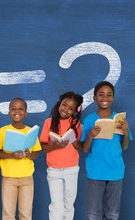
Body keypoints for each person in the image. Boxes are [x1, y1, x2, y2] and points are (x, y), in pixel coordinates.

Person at [82, 81, 132, 220]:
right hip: (95, 171)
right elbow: (85, 149)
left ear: (113, 97)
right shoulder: (89, 120)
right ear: (94, 98)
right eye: (101, 95)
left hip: (115, 171)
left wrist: (126, 131)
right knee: (92, 214)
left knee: (112, 214)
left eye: (109, 95)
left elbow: (124, 147)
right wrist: (91, 135)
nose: (105, 98)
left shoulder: (120, 119)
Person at [0, 98, 42, 220]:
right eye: (13, 109)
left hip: (27, 178)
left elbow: (36, 153)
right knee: (8, 214)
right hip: (9, 178)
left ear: (26, 113)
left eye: (21, 109)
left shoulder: (30, 131)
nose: (17, 111)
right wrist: (11, 155)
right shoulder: (3, 131)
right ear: (9, 113)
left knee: (25, 213)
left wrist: (29, 154)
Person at [40, 92, 83, 220]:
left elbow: (81, 147)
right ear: (59, 104)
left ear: (75, 111)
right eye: (64, 105)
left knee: (69, 204)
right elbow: (42, 147)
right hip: (54, 169)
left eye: (71, 108)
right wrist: (56, 146)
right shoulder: (49, 122)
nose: (65, 110)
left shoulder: (76, 124)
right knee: (56, 205)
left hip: (72, 169)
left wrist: (73, 140)